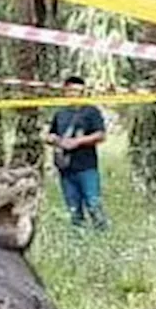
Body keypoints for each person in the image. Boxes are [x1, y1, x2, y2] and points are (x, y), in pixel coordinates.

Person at [45, 76, 110, 230]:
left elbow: (101, 135)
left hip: (87, 167)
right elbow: (49, 134)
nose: (76, 94)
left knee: (93, 204)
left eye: (80, 91)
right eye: (72, 91)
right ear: (65, 91)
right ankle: (79, 239)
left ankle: (103, 235)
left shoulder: (91, 111)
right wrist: (56, 140)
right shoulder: (60, 113)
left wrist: (78, 142)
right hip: (66, 168)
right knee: (73, 209)